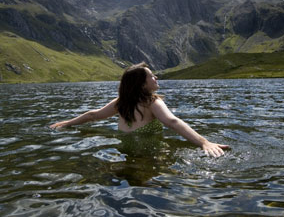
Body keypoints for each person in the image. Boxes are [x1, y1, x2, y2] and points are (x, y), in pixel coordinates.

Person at [50, 62, 229, 158]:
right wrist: (204, 142)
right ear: (142, 83)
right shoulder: (153, 102)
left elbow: (93, 115)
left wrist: (68, 123)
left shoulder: (121, 102)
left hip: (125, 150)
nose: (156, 77)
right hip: (151, 151)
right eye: (152, 76)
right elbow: (172, 122)